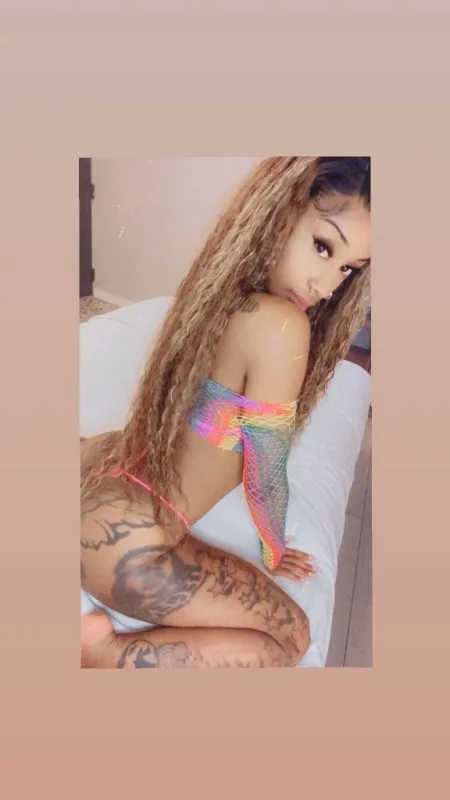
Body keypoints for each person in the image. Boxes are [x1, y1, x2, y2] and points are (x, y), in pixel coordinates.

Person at [80, 156, 371, 669]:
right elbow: (266, 477)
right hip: (125, 551)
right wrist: (274, 549)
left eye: (348, 269)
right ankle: (103, 656)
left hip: (92, 479)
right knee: (291, 641)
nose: (326, 286)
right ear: (280, 210)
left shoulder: (217, 294)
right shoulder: (282, 327)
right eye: (323, 247)